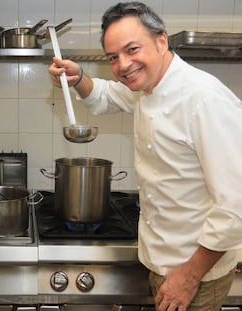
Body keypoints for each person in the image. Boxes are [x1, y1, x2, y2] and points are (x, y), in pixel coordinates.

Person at [48, 2, 242, 310]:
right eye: (113, 57)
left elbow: (235, 206)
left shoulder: (205, 99)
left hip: (196, 274)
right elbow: (106, 95)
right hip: (162, 262)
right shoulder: (148, 86)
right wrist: (78, 76)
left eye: (132, 49)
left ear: (161, 41)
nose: (123, 65)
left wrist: (188, 278)